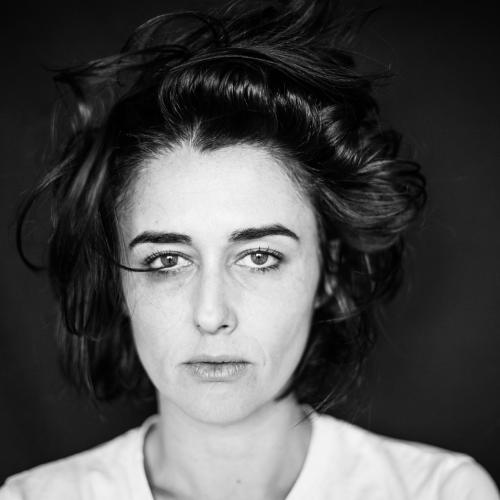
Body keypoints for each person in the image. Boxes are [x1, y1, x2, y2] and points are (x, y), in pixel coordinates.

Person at [2, 0, 498, 498]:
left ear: (328, 272)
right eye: (167, 261)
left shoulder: (442, 492)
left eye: (260, 257)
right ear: (119, 282)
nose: (211, 314)